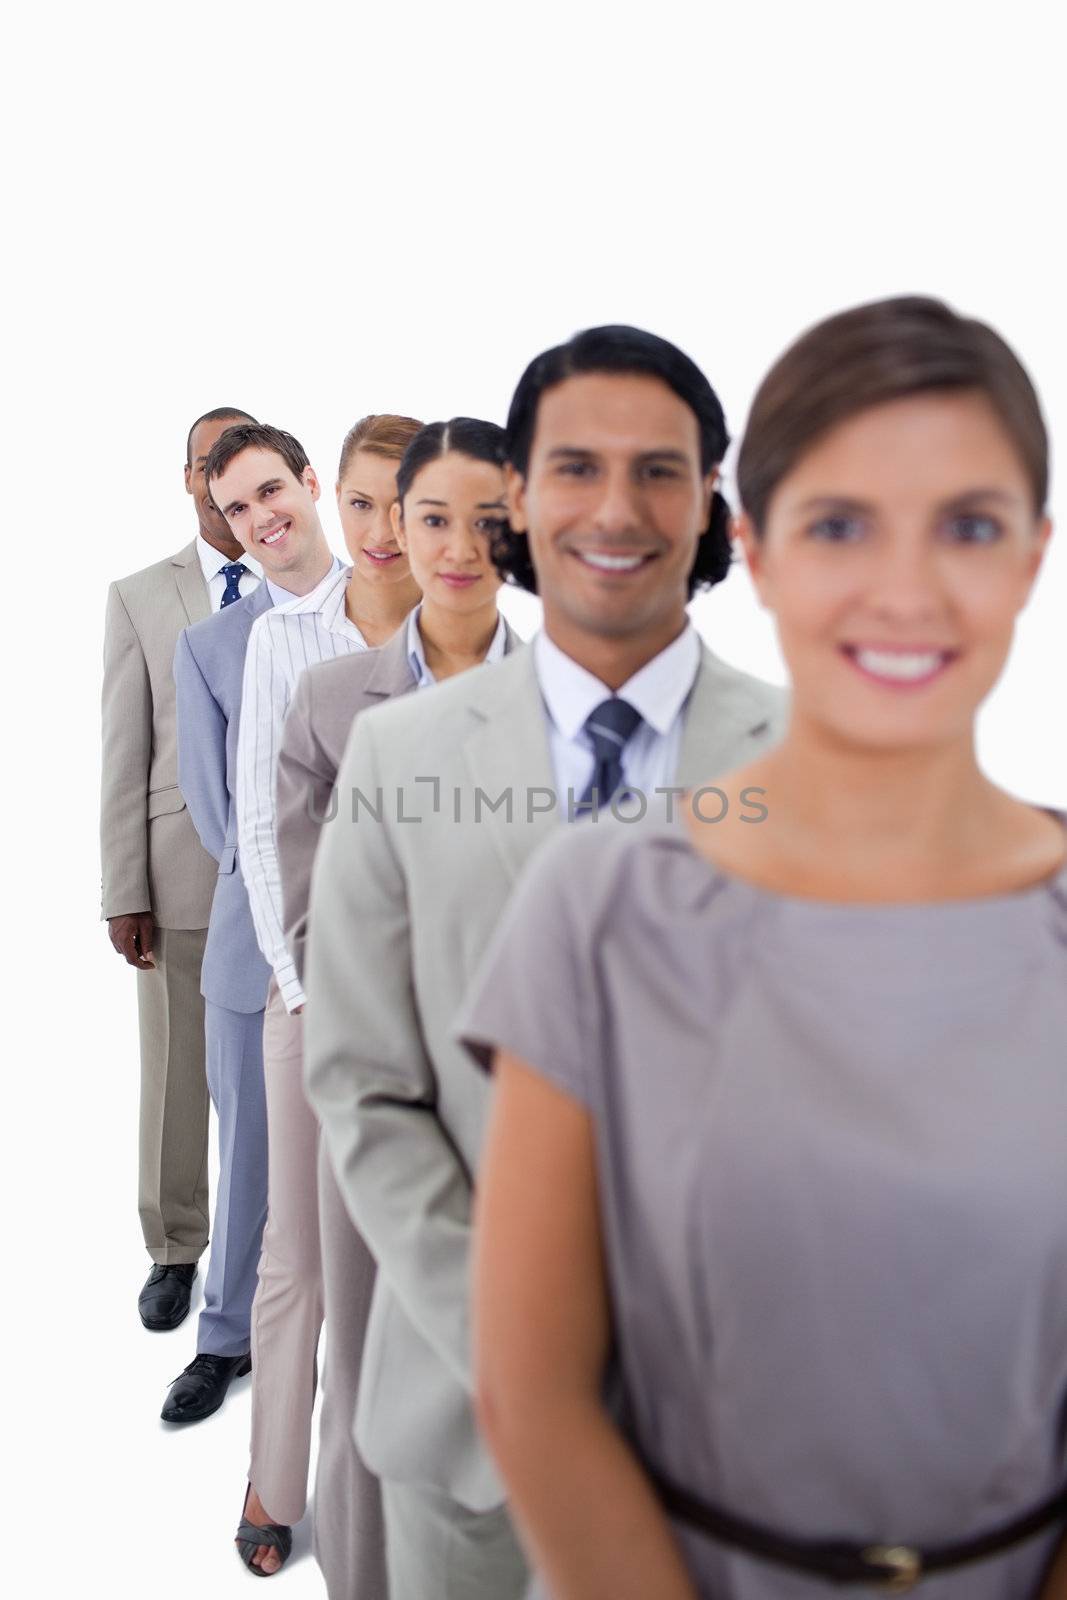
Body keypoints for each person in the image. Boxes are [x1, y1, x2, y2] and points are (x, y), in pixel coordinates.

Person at [460, 297, 1067, 1600]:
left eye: (965, 526)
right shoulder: (600, 903)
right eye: (839, 524)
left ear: (1030, 557)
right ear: (754, 548)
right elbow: (531, 1390)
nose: (902, 589)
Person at [303, 327, 786, 1600]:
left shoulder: (813, 763)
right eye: (573, 467)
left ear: (711, 503)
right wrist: (517, 1346)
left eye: (660, 471)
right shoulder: (399, 760)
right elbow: (364, 1081)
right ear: (516, 499)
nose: (616, 509)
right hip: (471, 1436)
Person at [249, 417, 522, 1592]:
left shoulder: (576, 696)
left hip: (529, 1085)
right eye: (430, 517)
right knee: (362, 1356)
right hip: (380, 1083)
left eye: (487, 521)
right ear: (393, 531)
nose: (457, 546)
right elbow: (312, 912)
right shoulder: (325, 699)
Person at [233, 411, 423, 1578]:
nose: (381, 526)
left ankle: (398, 1484)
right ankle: (273, 1477)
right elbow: (263, 823)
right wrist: (304, 985)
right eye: (360, 501)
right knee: (299, 1256)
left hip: (438, 999)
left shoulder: (474, 640)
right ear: (334, 503)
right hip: (311, 989)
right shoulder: (285, 644)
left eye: (405, 502)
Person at [165, 422, 334, 1430]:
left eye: (274, 491)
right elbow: (215, 806)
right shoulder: (210, 646)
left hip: (389, 931)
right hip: (253, 940)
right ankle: (223, 1337)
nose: (263, 517)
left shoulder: (393, 608)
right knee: (252, 1154)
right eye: (237, 508)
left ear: (310, 484)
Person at [101, 404, 257, 1332]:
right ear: (190, 478)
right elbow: (123, 751)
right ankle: (174, 1247)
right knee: (177, 1072)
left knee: (273, 1072)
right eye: (208, 466)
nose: (222, 483)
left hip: (293, 866)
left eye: (241, 467)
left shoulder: (304, 581)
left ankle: (266, 1241)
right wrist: (125, 889)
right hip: (179, 868)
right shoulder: (140, 595)